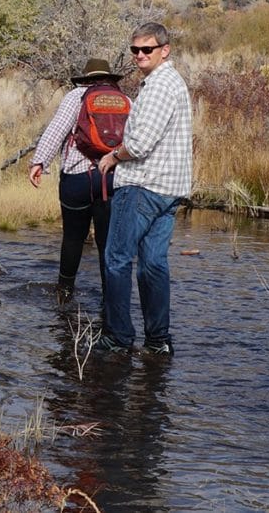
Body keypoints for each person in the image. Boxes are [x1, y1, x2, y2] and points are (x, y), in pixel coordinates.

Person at [96, 22, 192, 355]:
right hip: (168, 190)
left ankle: (118, 337)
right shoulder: (171, 82)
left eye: (146, 49)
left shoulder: (159, 86)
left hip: (141, 186)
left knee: (116, 260)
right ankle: (158, 341)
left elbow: (138, 144)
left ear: (164, 50)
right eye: (135, 49)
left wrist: (111, 156)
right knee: (153, 263)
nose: (139, 55)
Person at [29, 58, 126, 303]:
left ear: (85, 78)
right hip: (113, 177)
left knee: (73, 238)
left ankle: (64, 294)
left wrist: (39, 162)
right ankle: (110, 302)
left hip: (77, 178)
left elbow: (56, 130)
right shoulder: (124, 99)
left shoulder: (75, 96)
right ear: (109, 78)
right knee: (107, 244)